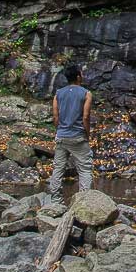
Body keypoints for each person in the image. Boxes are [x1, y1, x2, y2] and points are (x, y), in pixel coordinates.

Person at [48, 64, 93, 203]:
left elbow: (55, 117)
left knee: (58, 169)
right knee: (85, 169)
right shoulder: (86, 94)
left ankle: (55, 200)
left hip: (62, 136)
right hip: (78, 136)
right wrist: (87, 134)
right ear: (78, 76)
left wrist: (59, 130)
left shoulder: (58, 94)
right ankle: (83, 201)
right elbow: (85, 117)